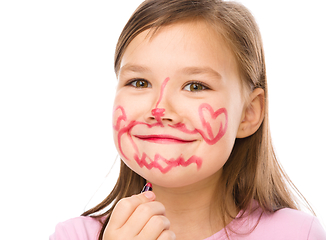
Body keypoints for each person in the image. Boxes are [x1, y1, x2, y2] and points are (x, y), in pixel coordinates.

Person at [50, 0, 326, 239]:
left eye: (195, 86)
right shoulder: (74, 236)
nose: (160, 109)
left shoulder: (297, 234)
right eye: (139, 82)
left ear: (249, 113)